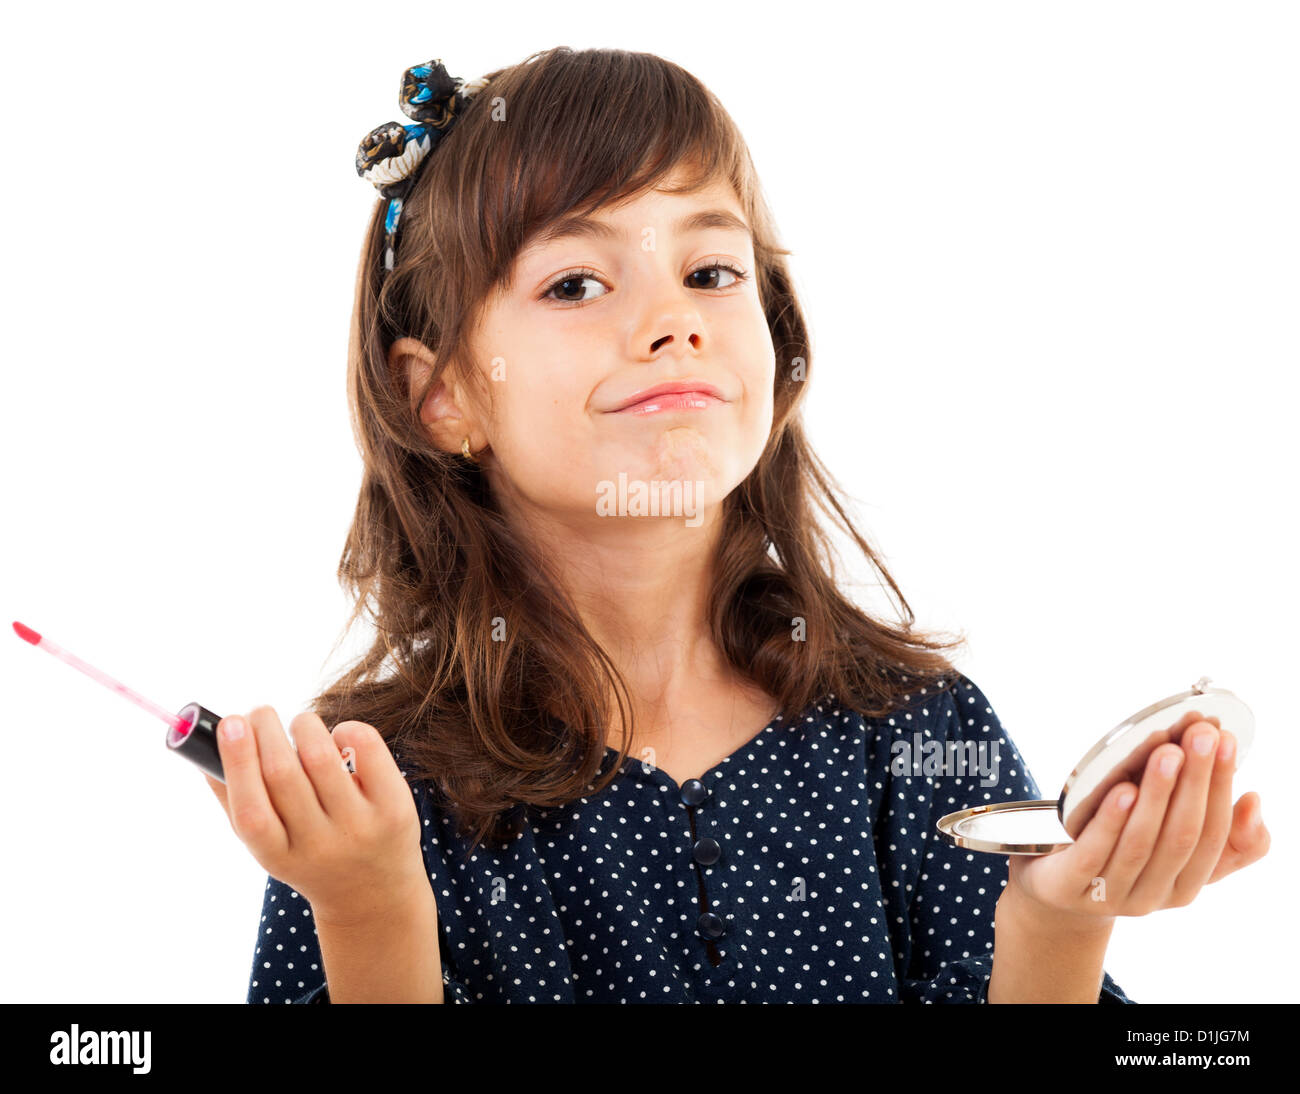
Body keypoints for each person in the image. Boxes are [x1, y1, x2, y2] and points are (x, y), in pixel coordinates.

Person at [205, 47, 1269, 1004]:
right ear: (441, 393)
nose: (673, 319)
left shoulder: (912, 731)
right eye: (575, 282)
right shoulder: (370, 791)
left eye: (711, 272)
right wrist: (368, 912)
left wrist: (1058, 919)